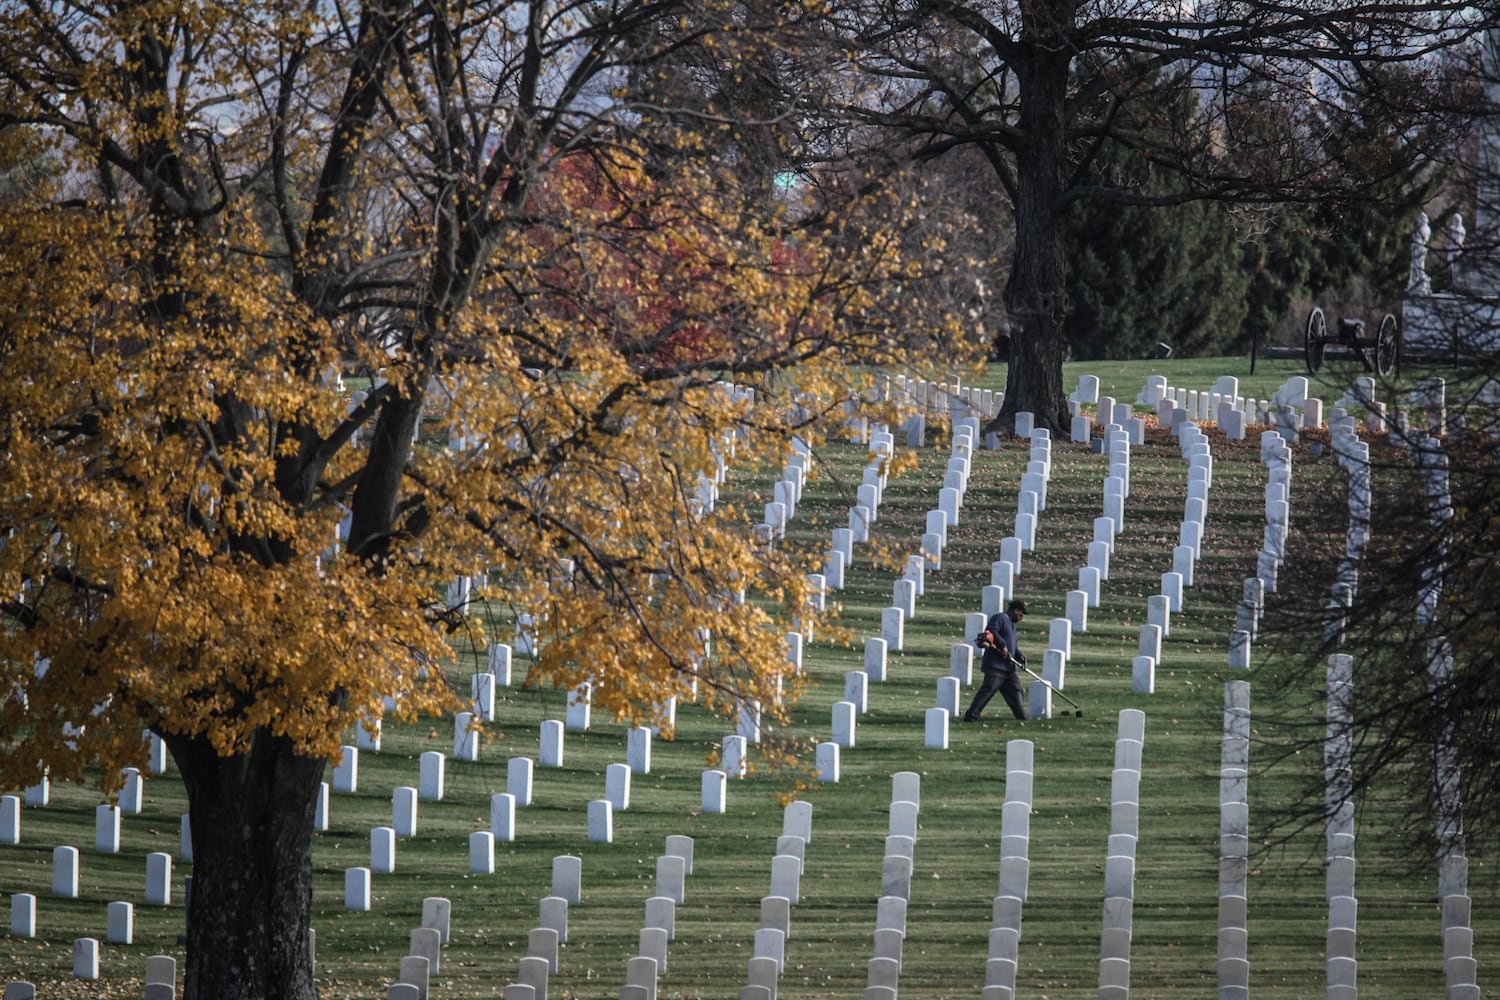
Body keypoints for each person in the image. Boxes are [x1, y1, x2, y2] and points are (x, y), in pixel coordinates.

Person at [963, 599, 1028, 722]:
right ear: (1016, 610)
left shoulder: (1013, 626)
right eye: (1021, 614)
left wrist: (1019, 655)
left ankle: (1021, 717)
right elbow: (992, 631)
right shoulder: (999, 618)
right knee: (988, 691)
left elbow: (1013, 645)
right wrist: (1002, 645)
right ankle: (971, 716)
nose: (1022, 617)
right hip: (996, 666)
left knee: (1016, 691)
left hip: (1009, 668)